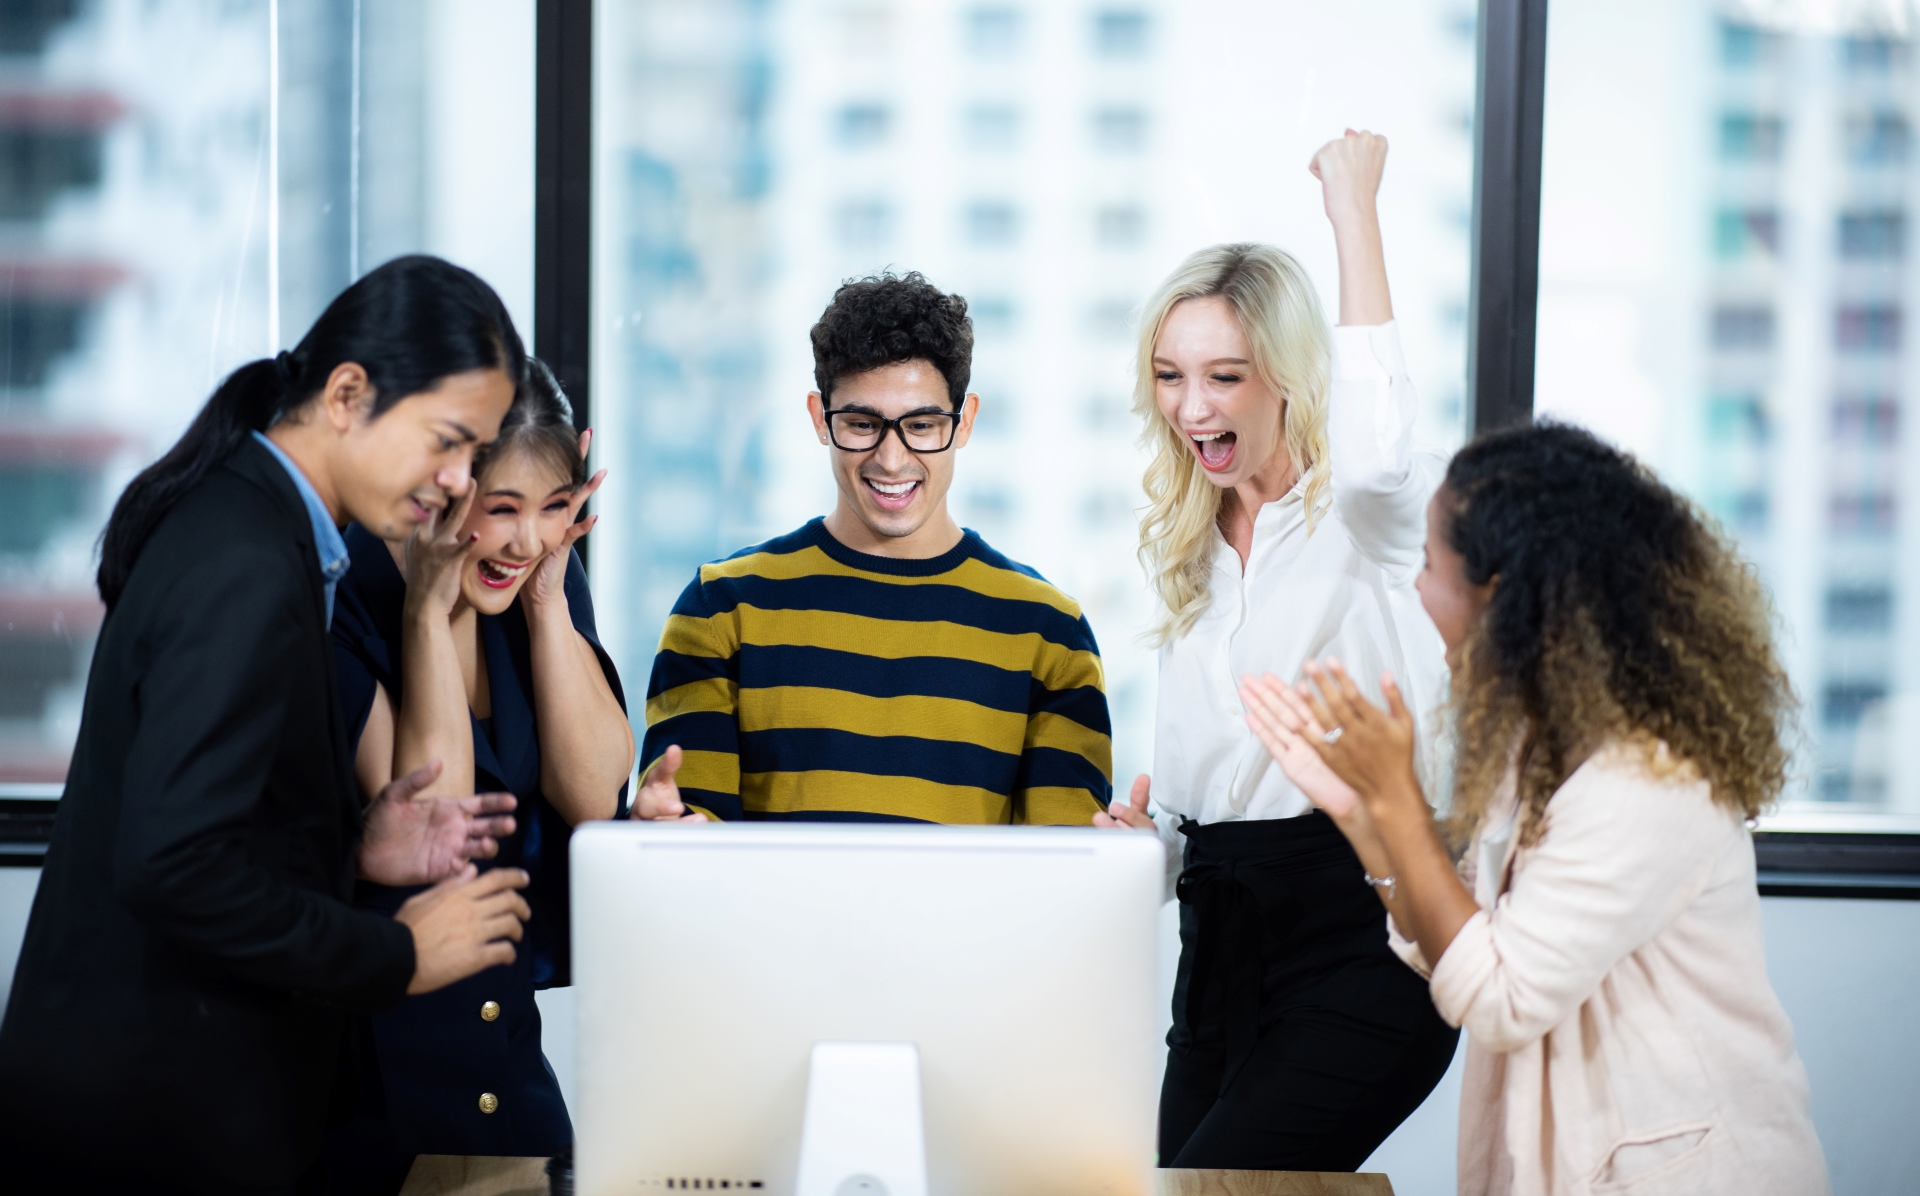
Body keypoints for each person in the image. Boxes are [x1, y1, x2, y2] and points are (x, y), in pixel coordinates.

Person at [0, 256, 539, 1195]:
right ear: (346, 394)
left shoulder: (262, 530)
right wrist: (396, 952)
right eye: (450, 442)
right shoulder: (247, 557)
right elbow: (172, 864)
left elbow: (199, 817)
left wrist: (347, 845)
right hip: (152, 1129)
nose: (460, 481)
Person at [1241, 422, 1830, 1196]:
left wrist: (1398, 801)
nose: (1416, 588)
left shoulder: (1648, 781)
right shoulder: (1540, 745)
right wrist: (1360, 812)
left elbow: (1497, 995)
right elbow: (1449, 940)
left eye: (1430, 564)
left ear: (1503, 597)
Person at [1093, 131, 1458, 1170]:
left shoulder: (1367, 519)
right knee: (1179, 1185)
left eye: (1225, 376)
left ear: (1291, 377)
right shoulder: (1188, 545)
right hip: (1219, 956)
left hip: (1360, 947)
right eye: (1169, 376)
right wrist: (1142, 843)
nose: (1192, 408)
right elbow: (1196, 809)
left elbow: (1383, 450)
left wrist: (1355, 209)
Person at [632, 270, 1112, 826]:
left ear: (965, 421)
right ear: (819, 418)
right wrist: (663, 835)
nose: (890, 458)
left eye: (922, 425)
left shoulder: (1049, 632)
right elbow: (690, 843)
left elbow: (1059, 874)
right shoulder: (721, 609)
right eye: (862, 424)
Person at [323, 360, 632, 1191]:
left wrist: (548, 602)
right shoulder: (347, 597)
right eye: (501, 511)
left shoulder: (540, 581)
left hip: (510, 1068)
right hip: (378, 1094)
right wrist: (427, 610)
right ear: (445, 487)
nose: (526, 541)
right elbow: (439, 825)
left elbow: (595, 794)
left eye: (553, 511)